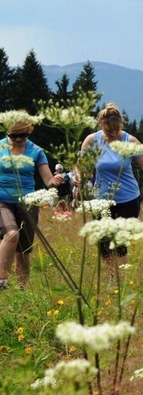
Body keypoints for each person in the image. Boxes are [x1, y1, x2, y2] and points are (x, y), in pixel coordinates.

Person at [80, 102, 143, 271]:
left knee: (120, 241)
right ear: (99, 124)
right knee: (103, 242)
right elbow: (81, 167)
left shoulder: (130, 140)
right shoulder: (91, 141)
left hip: (128, 198)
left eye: (116, 130)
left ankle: (122, 279)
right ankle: (113, 275)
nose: (112, 133)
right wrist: (78, 178)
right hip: (102, 200)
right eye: (108, 130)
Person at [0, 115, 64, 289]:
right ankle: (2, 279)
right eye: (13, 136)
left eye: (22, 135)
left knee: (24, 251)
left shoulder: (37, 151)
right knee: (11, 235)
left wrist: (55, 181)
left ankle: (22, 289)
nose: (18, 139)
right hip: (2, 201)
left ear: (29, 131)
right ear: (7, 132)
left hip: (28, 202)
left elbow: (48, 180)